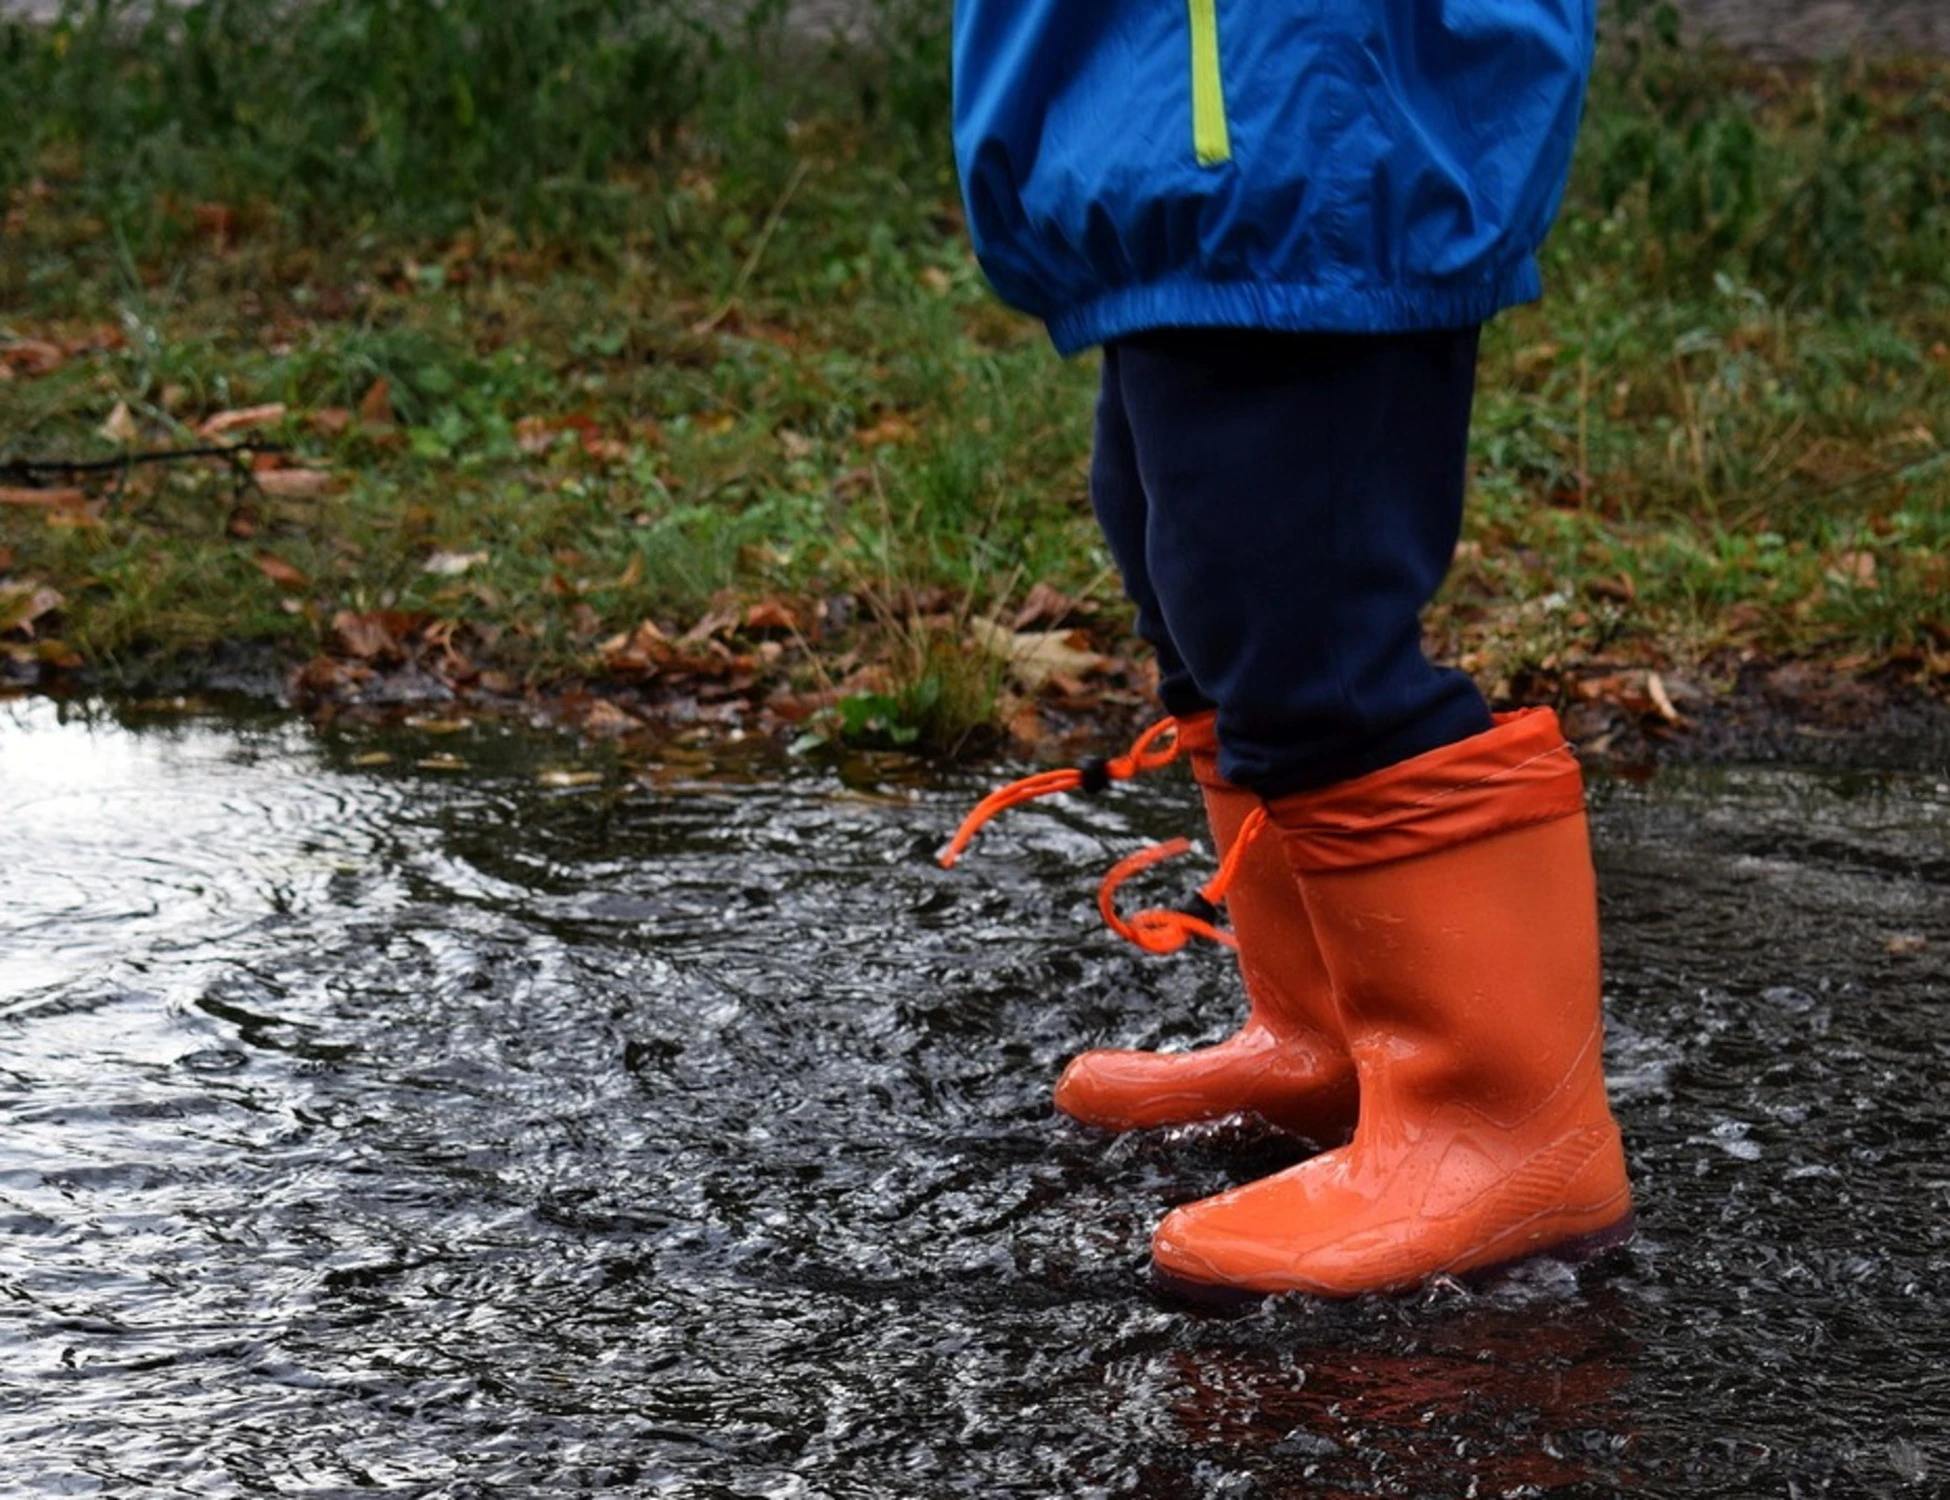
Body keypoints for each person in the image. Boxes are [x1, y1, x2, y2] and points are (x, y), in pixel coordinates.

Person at [949, 0, 1634, 1300]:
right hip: (1168, 137)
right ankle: (1330, 1037)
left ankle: (1498, 1129)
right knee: (1196, 588)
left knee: (1302, 628)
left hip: (1297, 134)